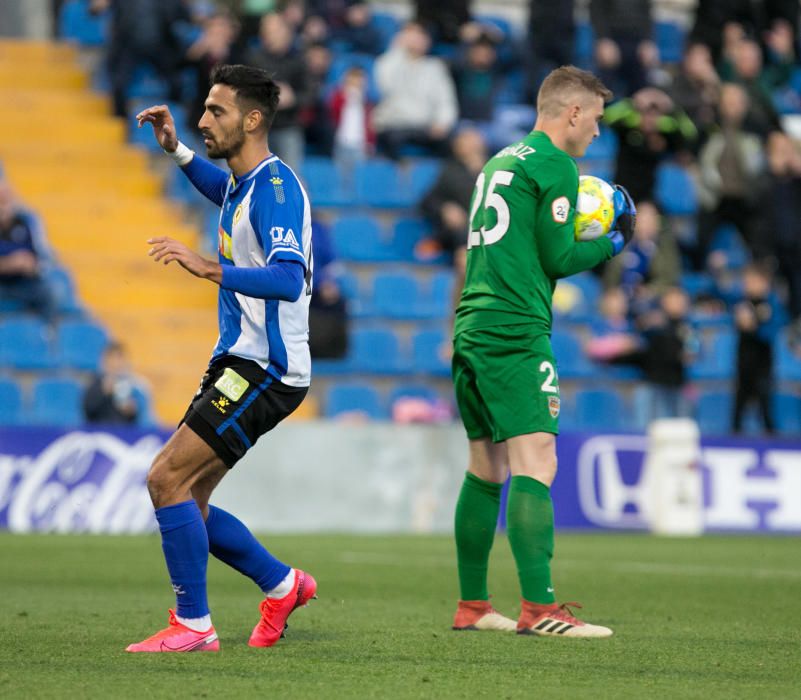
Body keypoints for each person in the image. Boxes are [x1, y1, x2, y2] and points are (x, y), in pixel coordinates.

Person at [129, 63, 314, 653]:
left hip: (266, 368)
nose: (204, 119)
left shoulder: (278, 191)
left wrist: (210, 267)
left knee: (166, 478)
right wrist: (178, 151)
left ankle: (194, 627)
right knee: (191, 500)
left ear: (252, 120)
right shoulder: (245, 179)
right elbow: (222, 191)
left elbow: (288, 279)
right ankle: (282, 586)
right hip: (241, 359)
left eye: (217, 111)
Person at [450, 66, 635, 637]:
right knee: (538, 463)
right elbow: (558, 259)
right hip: (513, 329)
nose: (598, 133)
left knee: (486, 466)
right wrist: (614, 239)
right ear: (573, 113)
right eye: (598, 120)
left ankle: (474, 606)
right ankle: (540, 608)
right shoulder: (557, 165)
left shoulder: (500, 161)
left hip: (472, 324)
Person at [373, 21, 458, 159]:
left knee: (450, 144)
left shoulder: (435, 67)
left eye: (421, 35)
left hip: (425, 127)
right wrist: (398, 50)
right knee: (392, 141)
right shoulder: (386, 62)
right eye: (411, 34)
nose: (416, 40)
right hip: (394, 125)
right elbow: (383, 86)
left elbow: (446, 101)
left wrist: (443, 123)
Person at [0, 180, 56, 322]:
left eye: (5, 200)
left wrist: (32, 265)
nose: (2, 207)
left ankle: (46, 336)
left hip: (23, 283)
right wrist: (7, 264)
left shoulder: (27, 222)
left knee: (49, 293)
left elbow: (44, 259)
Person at [83, 341, 145, 424]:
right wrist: (103, 392)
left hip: (121, 433)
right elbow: (88, 411)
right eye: (112, 358)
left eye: (119, 358)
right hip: (99, 432)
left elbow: (134, 418)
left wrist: (131, 411)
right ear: (105, 361)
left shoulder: (131, 386)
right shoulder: (95, 383)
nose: (116, 363)